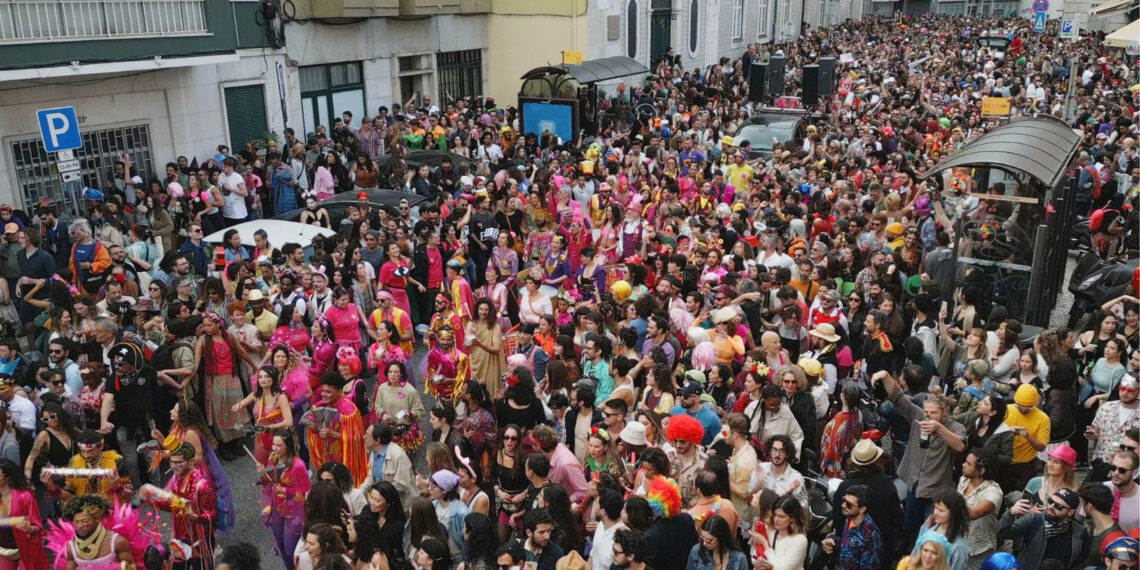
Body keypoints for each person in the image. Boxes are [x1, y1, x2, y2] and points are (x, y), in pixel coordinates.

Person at [873, 370, 966, 544]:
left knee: (929, 533)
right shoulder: (918, 417)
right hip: (914, 484)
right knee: (909, 527)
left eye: (933, 413)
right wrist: (885, 375)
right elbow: (899, 398)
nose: (928, 416)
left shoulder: (955, 427)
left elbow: (960, 445)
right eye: (926, 412)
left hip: (936, 490)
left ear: (944, 413)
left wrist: (939, 428)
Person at [146, 442, 218, 568]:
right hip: (180, 537)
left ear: (191, 461)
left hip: (200, 540)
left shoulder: (202, 486)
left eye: (179, 462)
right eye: (172, 462)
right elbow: (172, 505)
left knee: (202, 566)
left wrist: (196, 517)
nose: (174, 466)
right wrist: (151, 499)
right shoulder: (175, 479)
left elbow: (212, 515)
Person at [997, 488, 1090, 569]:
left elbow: (1081, 562)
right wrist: (1010, 513)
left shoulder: (1080, 533)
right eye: (1050, 501)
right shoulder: (1034, 520)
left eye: (1058, 506)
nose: (1051, 507)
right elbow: (1002, 533)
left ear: (1070, 512)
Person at [257, 430, 310, 570]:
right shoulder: (273, 458)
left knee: (291, 548)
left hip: (294, 512)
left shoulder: (298, 465)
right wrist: (262, 472)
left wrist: (285, 491)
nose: (274, 448)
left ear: (288, 445)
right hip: (277, 508)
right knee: (281, 545)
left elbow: (305, 491)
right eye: (273, 444)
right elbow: (268, 481)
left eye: (279, 445)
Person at [305, 372, 367, 487]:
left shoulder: (349, 411)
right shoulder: (318, 406)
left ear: (339, 392)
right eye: (323, 391)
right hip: (326, 457)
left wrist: (332, 434)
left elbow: (357, 438)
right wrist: (314, 429)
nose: (324, 395)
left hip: (344, 460)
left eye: (328, 392)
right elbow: (315, 433)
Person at [58, 494, 135, 570]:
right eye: (76, 522)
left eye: (84, 521)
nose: (80, 526)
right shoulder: (70, 547)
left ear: (97, 519)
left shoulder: (118, 542)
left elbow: (131, 566)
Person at [958, 449, 1004, 570]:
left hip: (979, 550)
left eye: (968, 464)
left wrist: (948, 506)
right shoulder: (964, 480)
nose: (963, 465)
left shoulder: (994, 492)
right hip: (959, 543)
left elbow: (973, 514)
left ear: (981, 471)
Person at [822, 485, 883, 570]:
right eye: (843, 500)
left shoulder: (871, 536)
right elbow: (843, 538)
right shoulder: (848, 517)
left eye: (849, 504)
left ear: (862, 509)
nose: (843, 505)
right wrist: (832, 539)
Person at [669, 381, 721, 446]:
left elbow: (718, 442)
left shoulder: (712, 418)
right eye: (681, 394)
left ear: (697, 398)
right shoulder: (674, 411)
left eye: (685, 396)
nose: (682, 398)